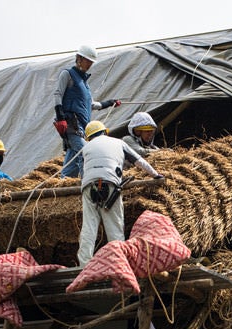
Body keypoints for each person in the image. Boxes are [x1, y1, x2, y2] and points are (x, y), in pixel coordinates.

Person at [77, 120, 164, 266]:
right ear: (105, 131)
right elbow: (139, 161)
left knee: (89, 226)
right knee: (114, 225)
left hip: (88, 186)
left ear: (89, 137)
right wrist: (156, 175)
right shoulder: (118, 142)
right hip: (110, 183)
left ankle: (84, 264)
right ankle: (119, 262)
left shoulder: (85, 147)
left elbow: (82, 170)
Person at [53, 45, 121, 178]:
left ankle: (63, 183)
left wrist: (109, 103)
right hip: (71, 124)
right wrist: (60, 117)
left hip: (82, 127)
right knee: (87, 152)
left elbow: (91, 105)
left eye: (91, 62)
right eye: (87, 60)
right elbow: (57, 94)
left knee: (73, 160)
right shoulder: (67, 74)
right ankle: (87, 182)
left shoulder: (85, 84)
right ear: (79, 58)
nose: (89, 64)